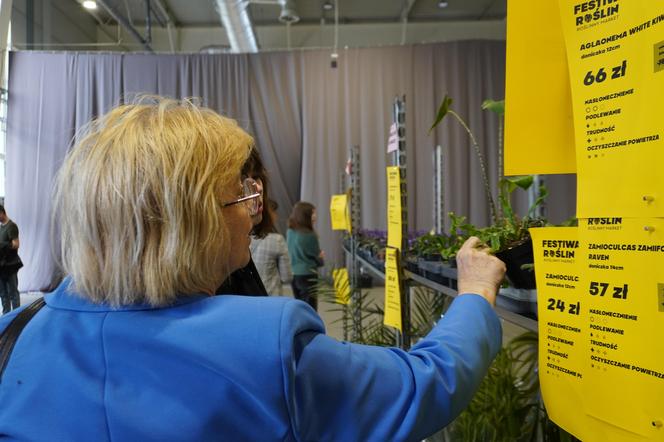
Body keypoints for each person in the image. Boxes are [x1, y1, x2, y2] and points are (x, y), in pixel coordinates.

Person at [0, 98, 506, 441]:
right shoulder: (269, 345)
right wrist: (475, 293)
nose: (253, 212)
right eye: (242, 195)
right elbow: (424, 385)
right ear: (190, 220)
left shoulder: (14, 335)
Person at [215, 147, 273, 296]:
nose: (258, 187)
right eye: (242, 181)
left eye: (257, 176)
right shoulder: (220, 267)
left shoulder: (241, 253)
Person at [287, 202, 324, 311]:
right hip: (308, 274)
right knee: (311, 308)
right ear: (305, 215)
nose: (315, 216)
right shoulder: (310, 235)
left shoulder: (290, 231)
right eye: (313, 213)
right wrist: (321, 257)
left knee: (300, 306)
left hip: (294, 274)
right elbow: (316, 257)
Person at [250, 200, 292, 295]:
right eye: (275, 212)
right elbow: (286, 277)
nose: (276, 216)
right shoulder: (277, 240)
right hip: (270, 296)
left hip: (249, 297)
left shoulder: (242, 238)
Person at [0, 204, 22, 314]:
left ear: (2, 212)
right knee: (3, 294)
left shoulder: (12, 226)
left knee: (13, 292)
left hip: (10, 265)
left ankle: (16, 317)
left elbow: (16, 244)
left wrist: (2, 244)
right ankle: (6, 318)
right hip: (1, 265)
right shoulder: (1, 227)